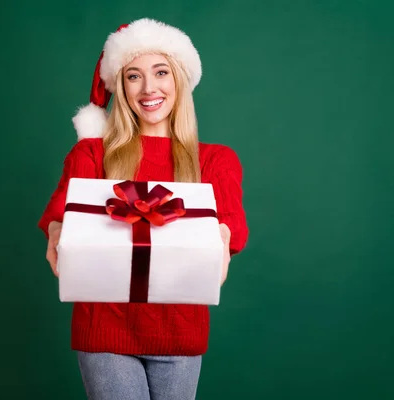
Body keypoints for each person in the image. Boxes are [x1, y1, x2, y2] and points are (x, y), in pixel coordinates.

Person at [37, 18, 249, 400]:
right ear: (120, 87)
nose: (149, 88)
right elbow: (61, 211)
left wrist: (223, 237)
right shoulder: (91, 153)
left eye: (161, 72)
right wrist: (56, 232)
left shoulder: (215, 162)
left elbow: (231, 224)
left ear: (179, 80)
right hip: (105, 328)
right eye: (133, 76)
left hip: (179, 331)